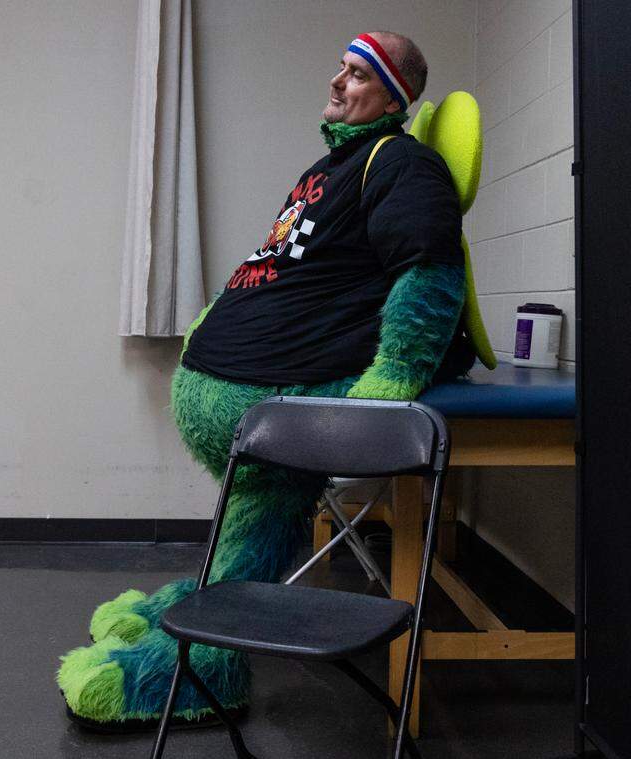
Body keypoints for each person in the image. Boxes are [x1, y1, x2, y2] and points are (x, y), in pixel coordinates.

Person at [58, 31, 472, 731]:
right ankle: (198, 605)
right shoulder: (331, 167)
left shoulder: (403, 163)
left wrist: (386, 388)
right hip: (243, 389)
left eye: (359, 74)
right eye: (339, 66)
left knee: (271, 488)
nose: (338, 81)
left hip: (281, 398)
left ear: (395, 95)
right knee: (261, 499)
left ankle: (200, 670)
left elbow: (429, 272)